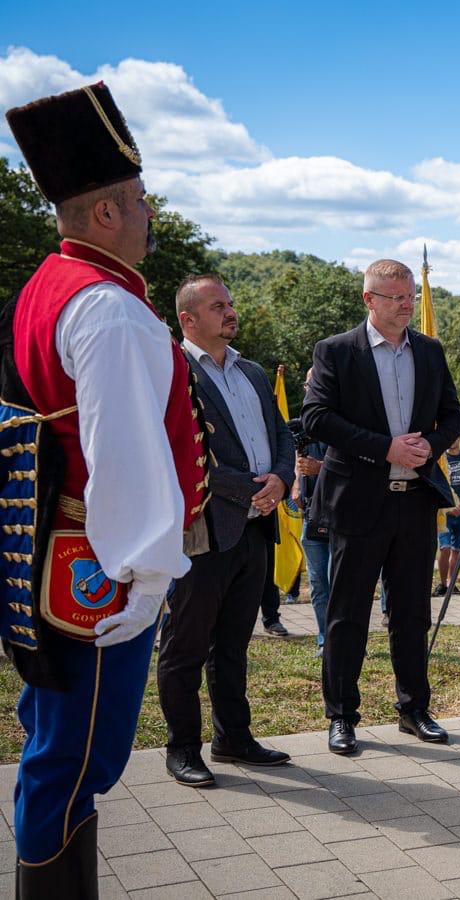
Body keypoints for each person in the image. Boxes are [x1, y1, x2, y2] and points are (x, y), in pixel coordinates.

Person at [1, 83, 208, 896]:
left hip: (56, 551)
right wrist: (150, 573)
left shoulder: (46, 284)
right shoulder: (109, 310)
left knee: (57, 743)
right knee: (78, 757)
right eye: (142, 199)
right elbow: (123, 452)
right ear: (107, 212)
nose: (151, 213)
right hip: (97, 566)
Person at [302, 259, 460, 755]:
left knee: (412, 613)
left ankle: (414, 710)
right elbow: (316, 418)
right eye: (395, 297)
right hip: (357, 502)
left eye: (409, 296)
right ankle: (341, 716)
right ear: (368, 300)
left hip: (414, 500)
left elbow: (454, 416)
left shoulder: (430, 351)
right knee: (347, 615)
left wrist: (429, 445)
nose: (405, 305)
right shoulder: (336, 351)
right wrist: (385, 447)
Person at [157, 274, 295, 786]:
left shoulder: (252, 371)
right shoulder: (171, 372)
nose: (230, 311)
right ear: (188, 319)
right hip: (204, 529)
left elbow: (282, 433)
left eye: (230, 303)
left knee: (234, 644)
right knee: (185, 646)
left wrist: (281, 477)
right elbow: (172, 450)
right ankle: (182, 748)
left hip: (255, 528)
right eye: (218, 306)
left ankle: (233, 738)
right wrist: (248, 489)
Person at [293, 368, 330, 653]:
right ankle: (325, 640)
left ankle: (346, 640)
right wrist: (296, 483)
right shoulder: (304, 421)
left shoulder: (345, 417)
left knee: (341, 582)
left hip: (343, 514)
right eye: (307, 384)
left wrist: (321, 468)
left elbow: (359, 463)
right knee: (318, 583)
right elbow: (297, 458)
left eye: (314, 384)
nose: (309, 389)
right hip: (311, 514)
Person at [434, 438, 460, 596]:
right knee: (444, 548)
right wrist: (451, 507)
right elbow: (437, 484)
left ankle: (452, 583)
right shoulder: (441, 458)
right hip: (445, 512)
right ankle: (442, 584)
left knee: (457, 550)